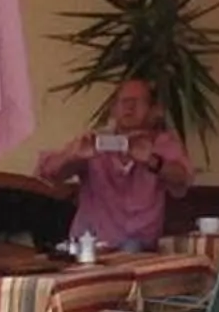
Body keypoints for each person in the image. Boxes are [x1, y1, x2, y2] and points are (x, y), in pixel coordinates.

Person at [35, 77, 192, 254]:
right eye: (123, 101)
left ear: (154, 110)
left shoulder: (162, 144)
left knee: (132, 248)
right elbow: (47, 172)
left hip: (139, 251)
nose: (129, 107)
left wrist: (152, 161)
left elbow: (183, 179)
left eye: (138, 102)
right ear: (112, 109)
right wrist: (72, 156)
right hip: (91, 248)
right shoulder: (94, 142)